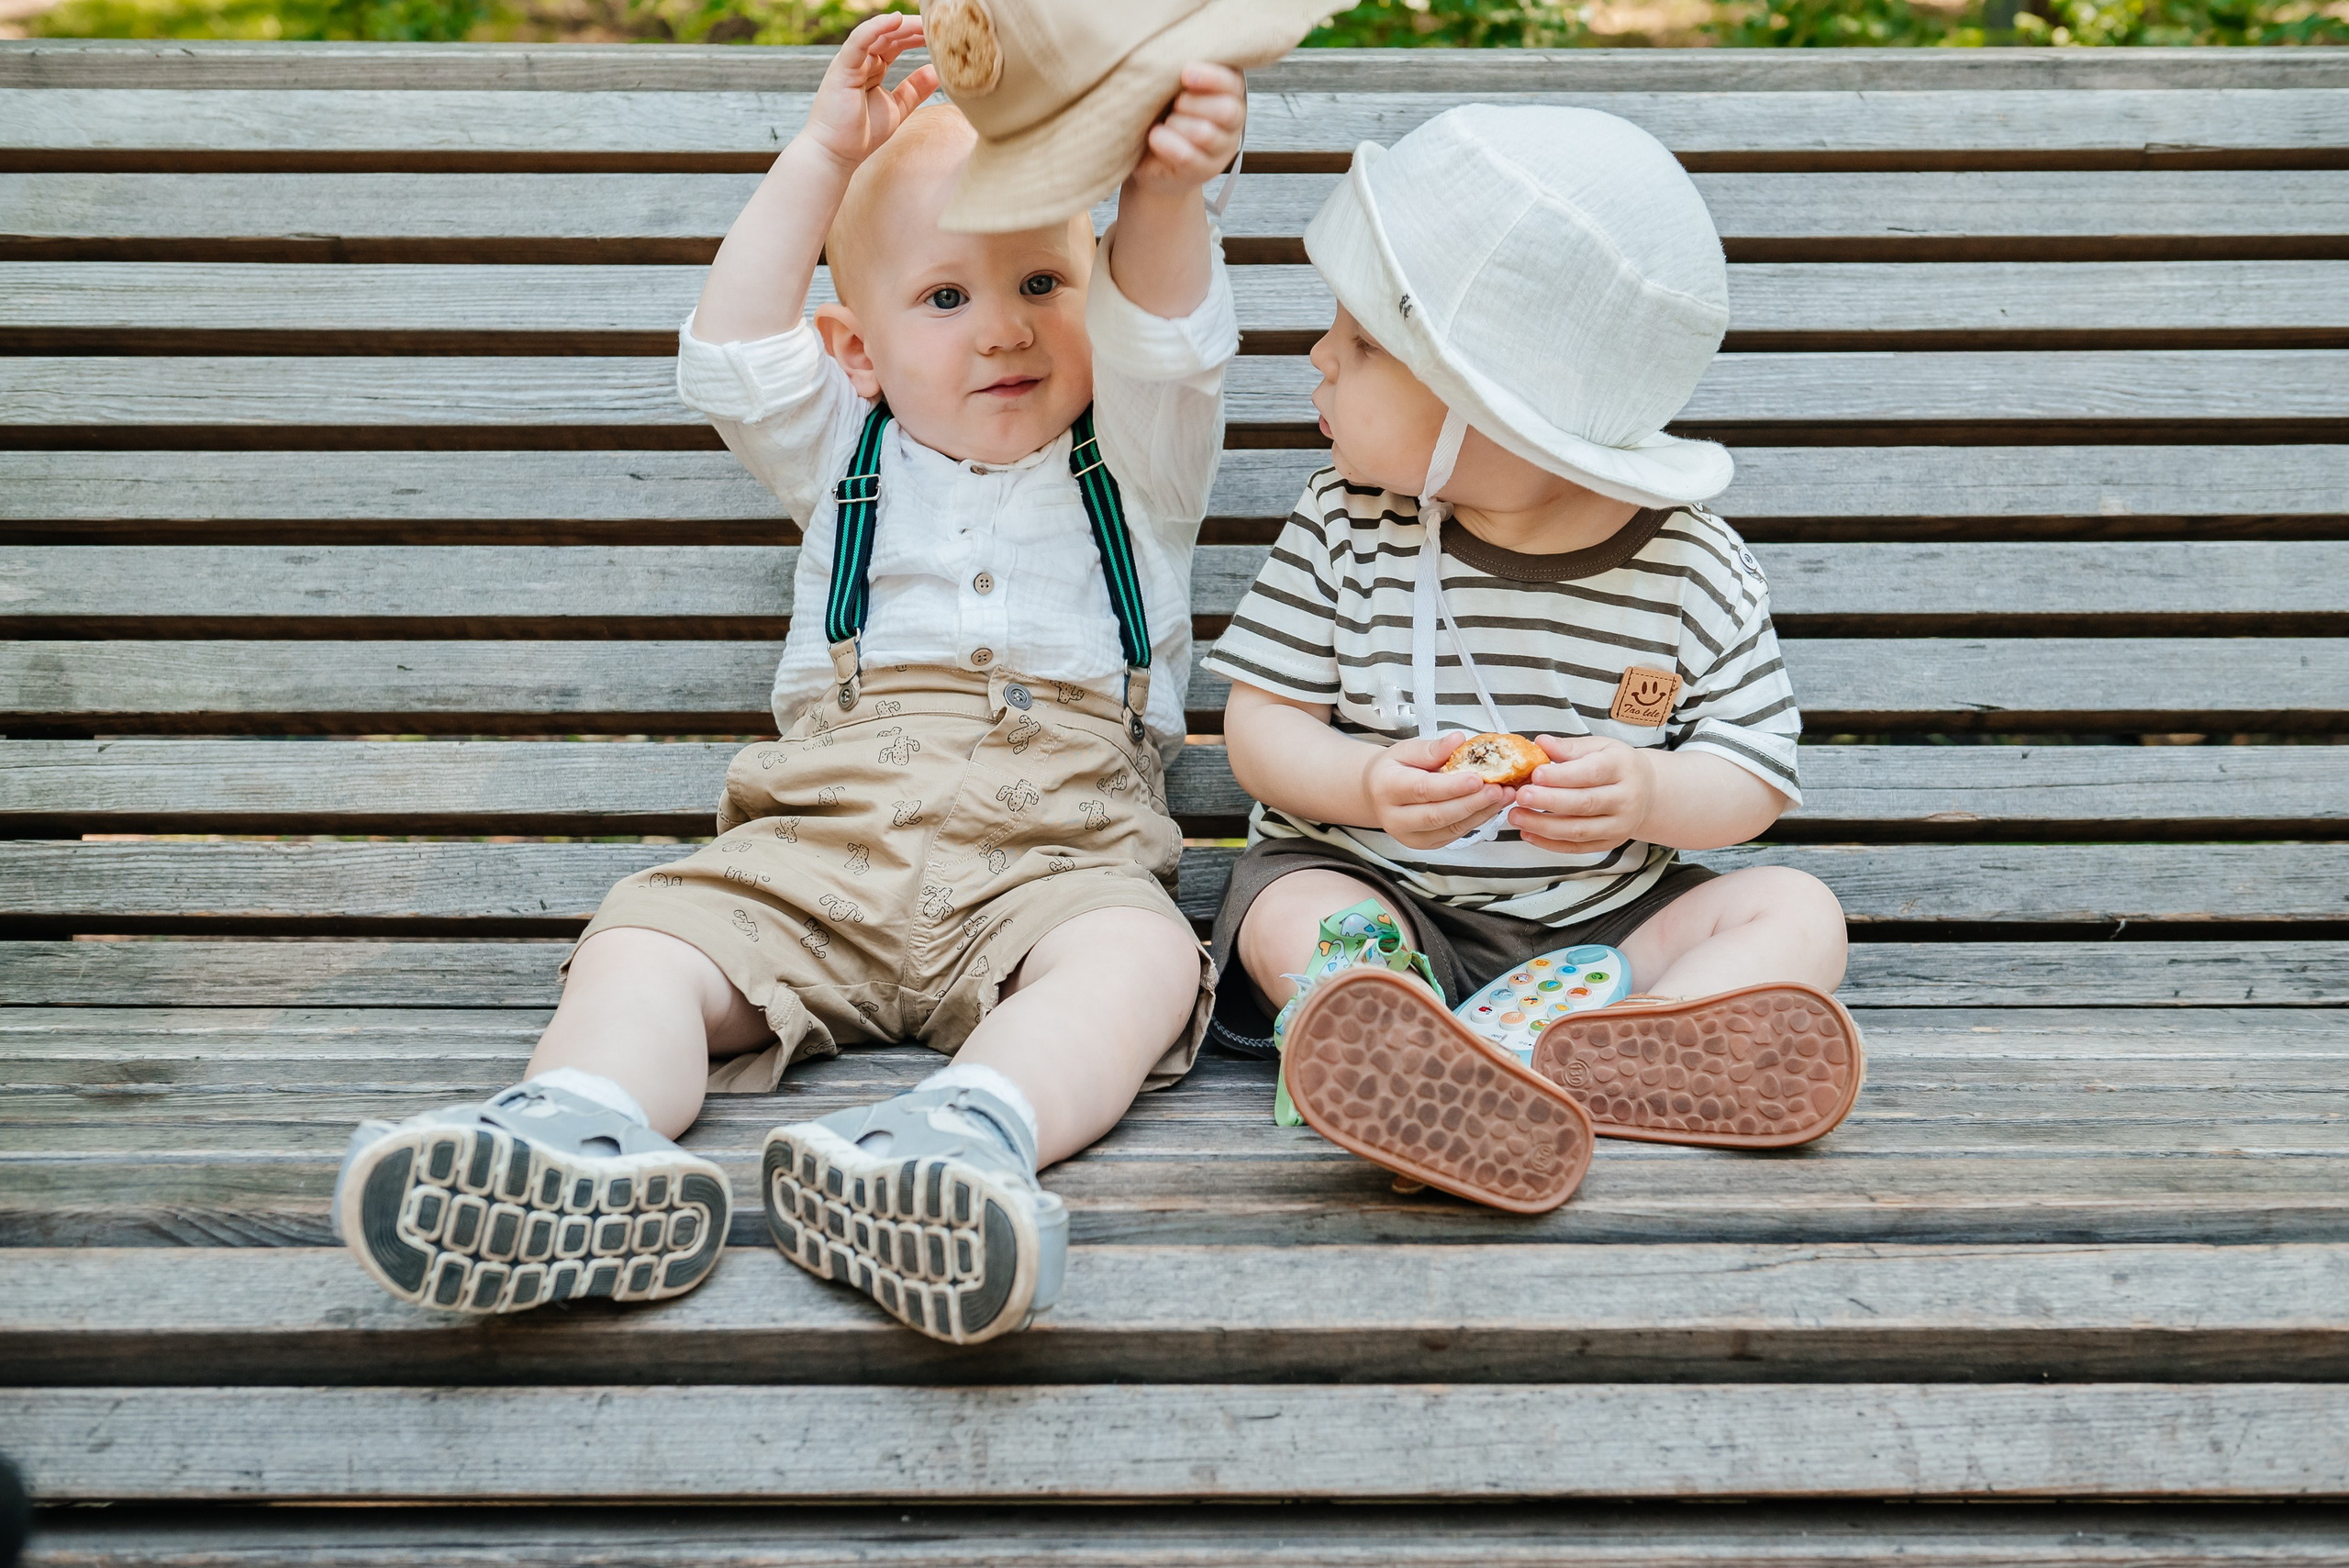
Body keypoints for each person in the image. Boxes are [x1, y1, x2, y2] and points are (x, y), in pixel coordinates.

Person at [329, 5, 1299, 1345]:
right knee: (650, 940)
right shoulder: (844, 449)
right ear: (858, 348)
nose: (1004, 333)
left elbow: (1172, 328)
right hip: (819, 848)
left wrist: (1166, 188)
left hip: (1054, 857)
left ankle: (963, 1140)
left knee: (1134, 956)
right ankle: (573, 1138)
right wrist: (824, 152)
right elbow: (730, 352)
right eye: (946, 298)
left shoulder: (1140, 461)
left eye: (1042, 285)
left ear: (1095, 294)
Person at [1203, 105, 1865, 1214]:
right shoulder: (1344, 521)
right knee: (1291, 909)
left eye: (1362, 343)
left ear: (1488, 409)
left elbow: (1751, 779)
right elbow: (1258, 733)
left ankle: (1620, 1045)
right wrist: (1365, 784)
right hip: (1382, 895)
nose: (1319, 355)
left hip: (1599, 932)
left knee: (1798, 909)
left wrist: (1648, 791)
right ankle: (1389, 1042)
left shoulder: (1697, 568)